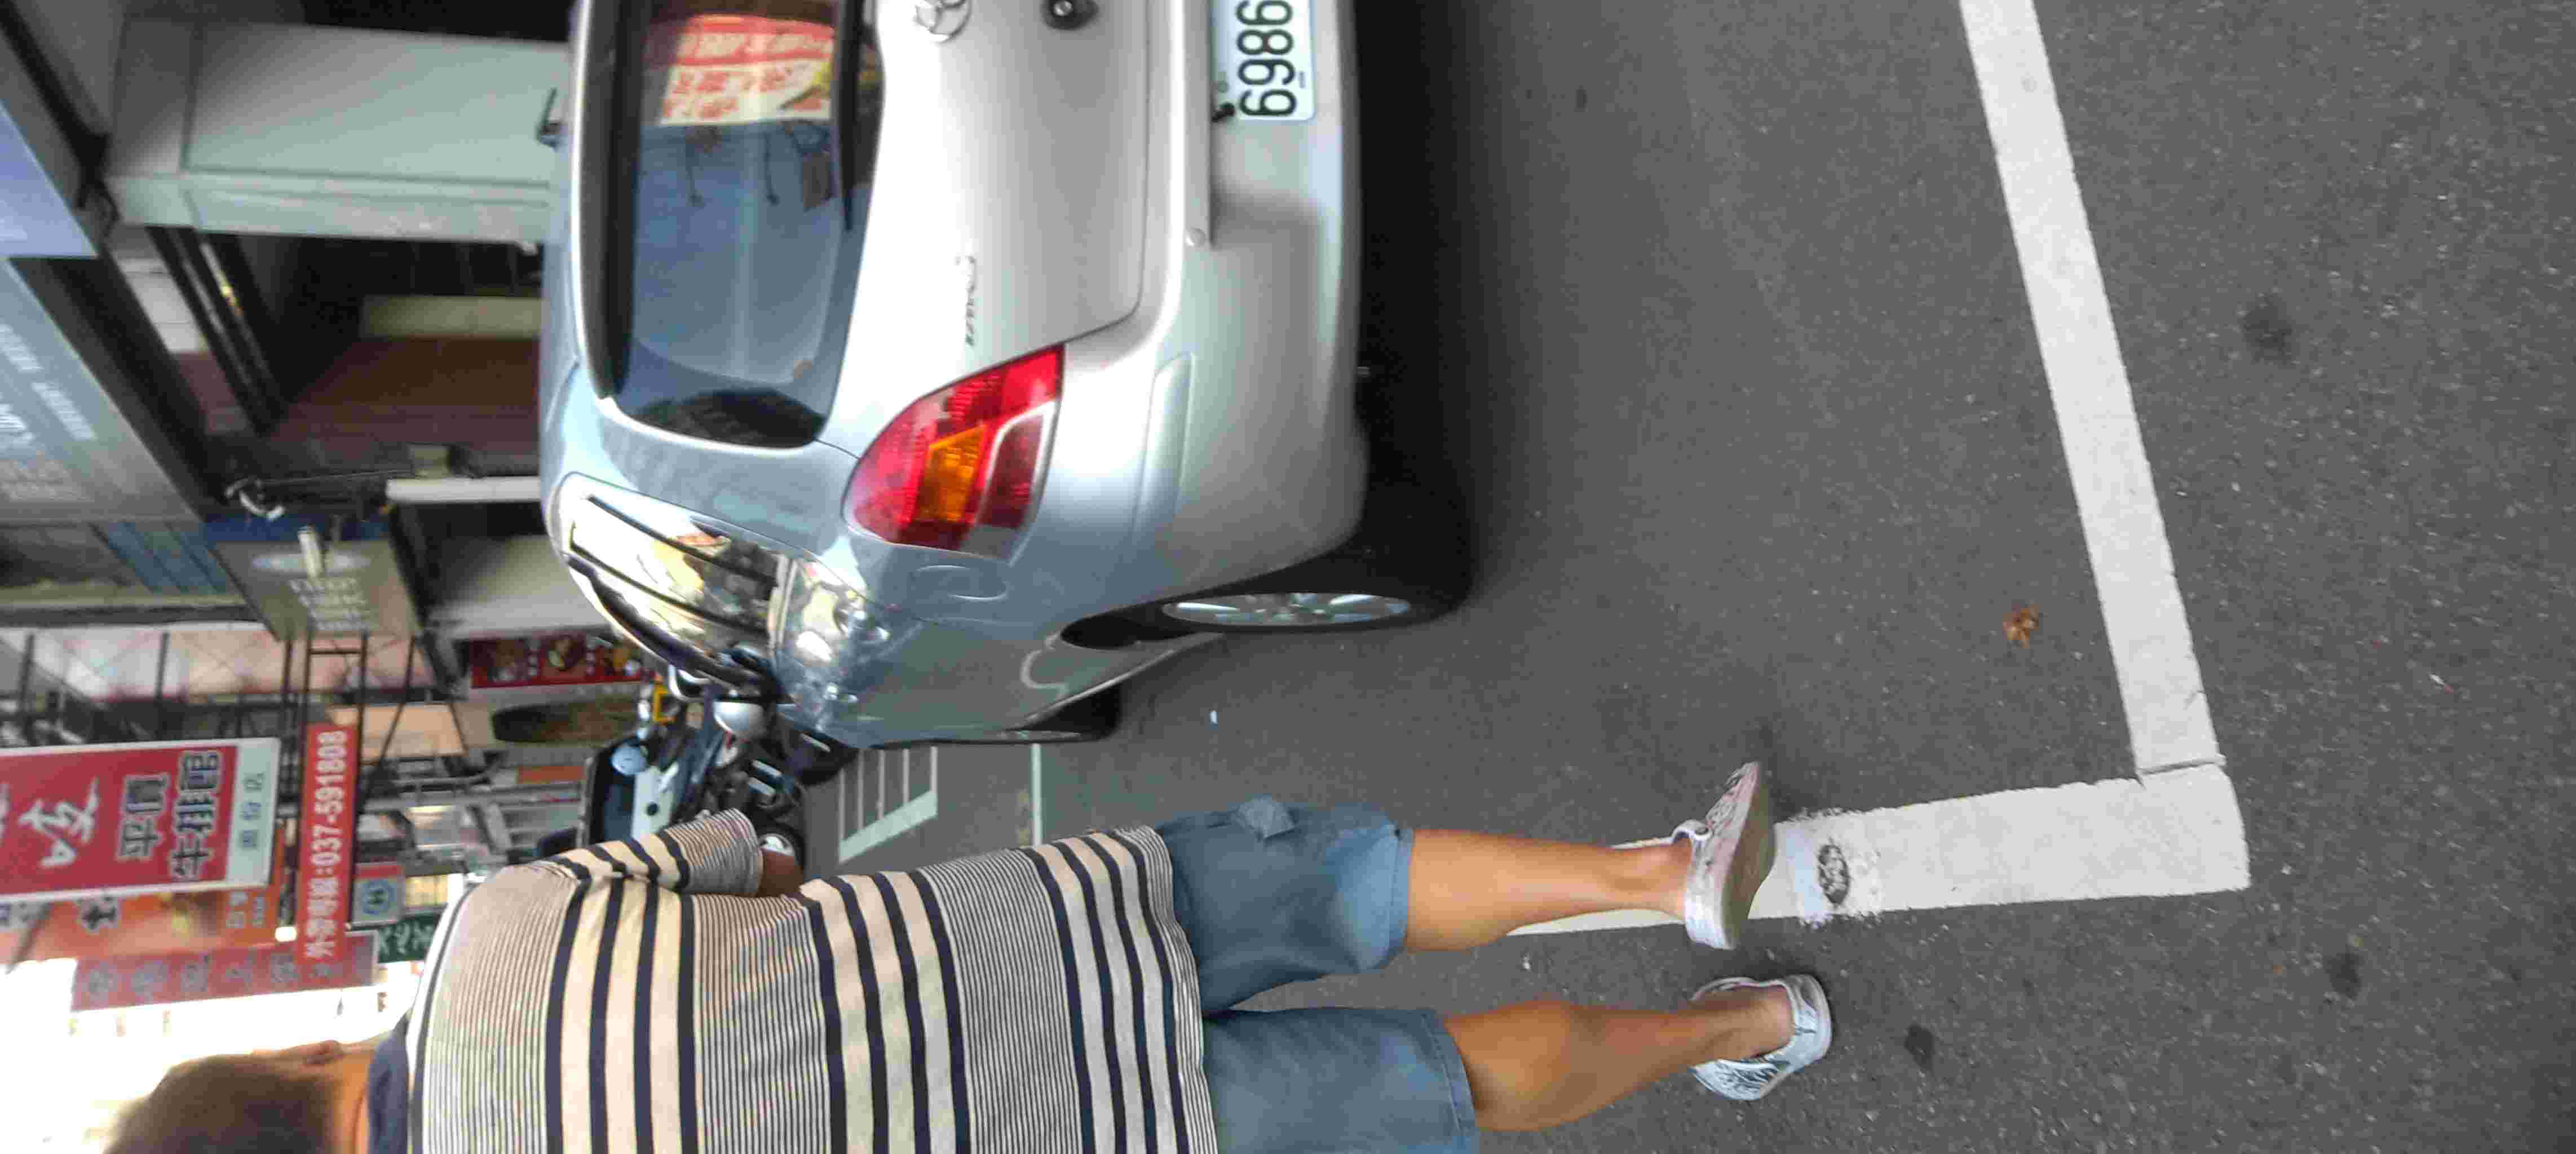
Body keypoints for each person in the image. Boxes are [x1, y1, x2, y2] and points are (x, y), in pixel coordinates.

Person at [104, 763, 1830, 1154]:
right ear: (290, 1060)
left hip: (1091, 1129)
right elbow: (757, 862)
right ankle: (1662, 872)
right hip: (1043, 926)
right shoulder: (491, 928)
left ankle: (1745, 1024)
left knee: (1440, 1087)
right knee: (1355, 887)